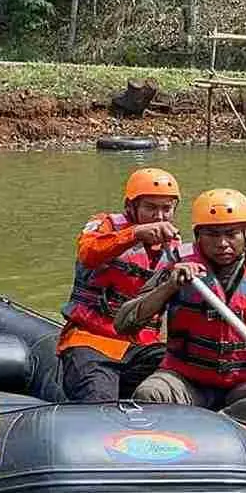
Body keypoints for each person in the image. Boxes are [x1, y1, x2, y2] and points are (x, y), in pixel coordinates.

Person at [113, 188, 246, 433]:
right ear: (198, 235)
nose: (222, 243)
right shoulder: (176, 266)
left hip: (245, 386)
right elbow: (123, 323)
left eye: (232, 234)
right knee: (149, 394)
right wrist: (169, 286)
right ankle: (205, 432)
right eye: (212, 234)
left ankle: (220, 428)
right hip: (187, 381)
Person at [57, 167, 182, 402]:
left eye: (166, 208)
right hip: (92, 339)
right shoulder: (105, 225)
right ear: (131, 206)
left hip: (144, 345)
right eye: (150, 208)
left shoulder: (175, 246)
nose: (159, 217)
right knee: (98, 399)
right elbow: (88, 253)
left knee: (177, 377)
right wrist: (135, 234)